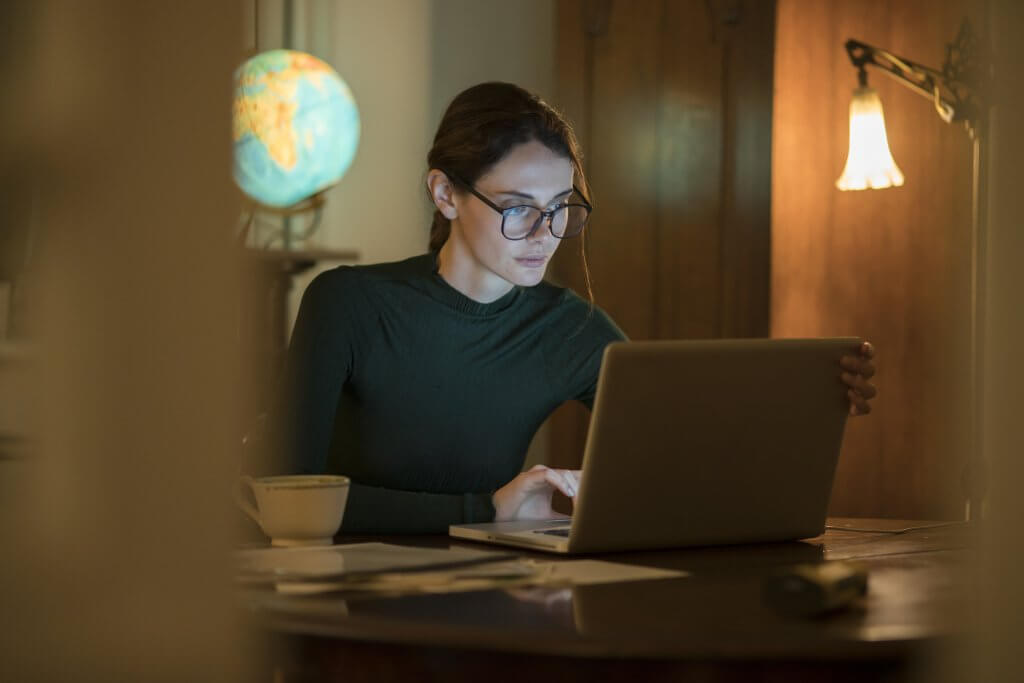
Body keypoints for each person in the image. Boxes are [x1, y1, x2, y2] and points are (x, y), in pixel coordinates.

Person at [273, 82, 878, 534]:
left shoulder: (568, 328)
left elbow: (694, 441)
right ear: (445, 195)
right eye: (518, 206)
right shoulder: (349, 303)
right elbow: (283, 498)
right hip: (344, 599)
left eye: (561, 205)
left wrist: (811, 400)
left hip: (493, 597)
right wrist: (485, 509)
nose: (547, 232)